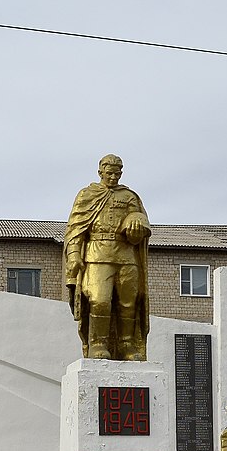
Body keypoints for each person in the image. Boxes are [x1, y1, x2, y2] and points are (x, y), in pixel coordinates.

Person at [63, 154, 151, 360]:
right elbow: (75, 229)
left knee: (128, 302)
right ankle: (98, 343)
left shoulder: (129, 196)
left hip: (126, 254)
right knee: (100, 301)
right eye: (109, 172)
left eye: (117, 173)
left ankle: (127, 344)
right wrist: (75, 255)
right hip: (97, 253)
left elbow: (140, 220)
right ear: (100, 172)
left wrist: (137, 223)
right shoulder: (87, 195)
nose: (113, 177)